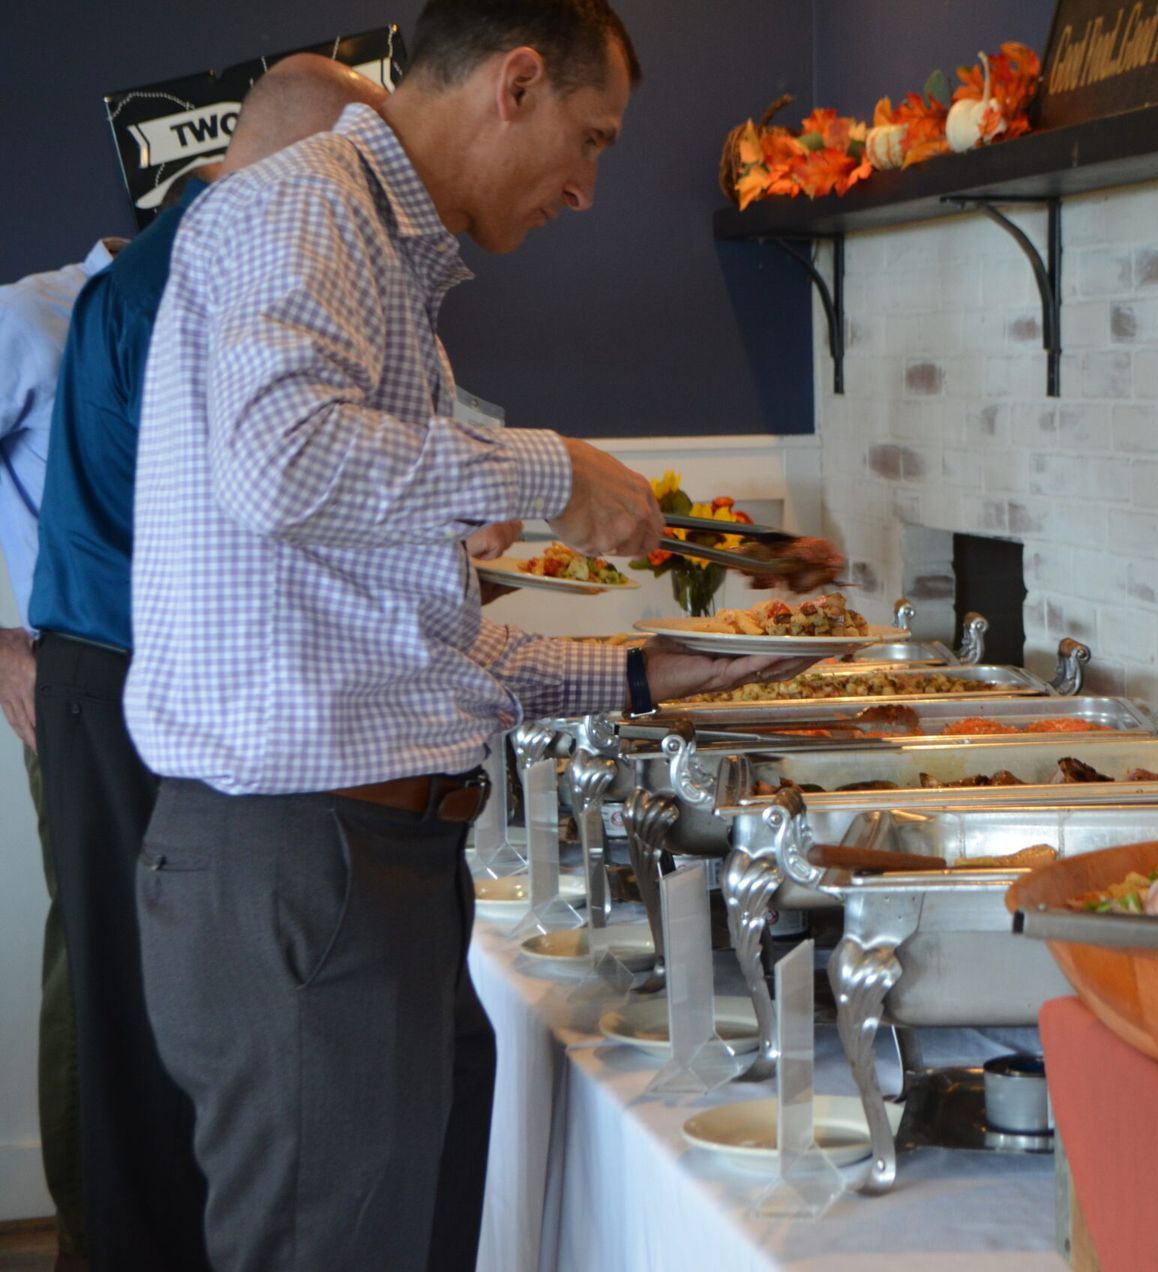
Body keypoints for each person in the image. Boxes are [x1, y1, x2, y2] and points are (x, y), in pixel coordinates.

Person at [123, 3, 817, 1266]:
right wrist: (547, 473)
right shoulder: (311, 205)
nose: (592, 189)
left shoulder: (387, 266)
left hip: (360, 858)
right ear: (514, 82)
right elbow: (280, 464)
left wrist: (646, 673)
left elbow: (410, 641)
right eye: (591, 139)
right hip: (306, 861)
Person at [33, 54, 395, 1272]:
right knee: (138, 1039)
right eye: (356, 174)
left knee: (163, 1027)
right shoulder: (199, 271)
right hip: (115, 677)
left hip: (135, 676)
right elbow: (256, 508)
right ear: (302, 160)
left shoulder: (190, 260)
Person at [0, 234, 122, 1267]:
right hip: (81, 696)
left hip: (217, 710)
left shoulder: (232, 319)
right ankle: (89, 1241)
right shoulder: (30, 318)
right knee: (94, 960)